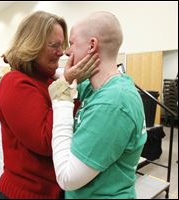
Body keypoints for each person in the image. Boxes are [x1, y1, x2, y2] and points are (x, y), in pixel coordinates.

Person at [0, 11, 98, 199]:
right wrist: (67, 83)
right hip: (27, 193)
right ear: (31, 45)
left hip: (53, 190)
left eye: (63, 45)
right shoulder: (14, 82)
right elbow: (45, 142)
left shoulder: (47, 79)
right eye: (54, 45)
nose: (62, 52)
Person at [49, 11, 147, 199]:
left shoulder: (112, 103)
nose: (66, 52)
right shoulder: (101, 87)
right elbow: (63, 73)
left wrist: (61, 100)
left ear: (92, 45)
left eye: (72, 44)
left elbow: (66, 178)